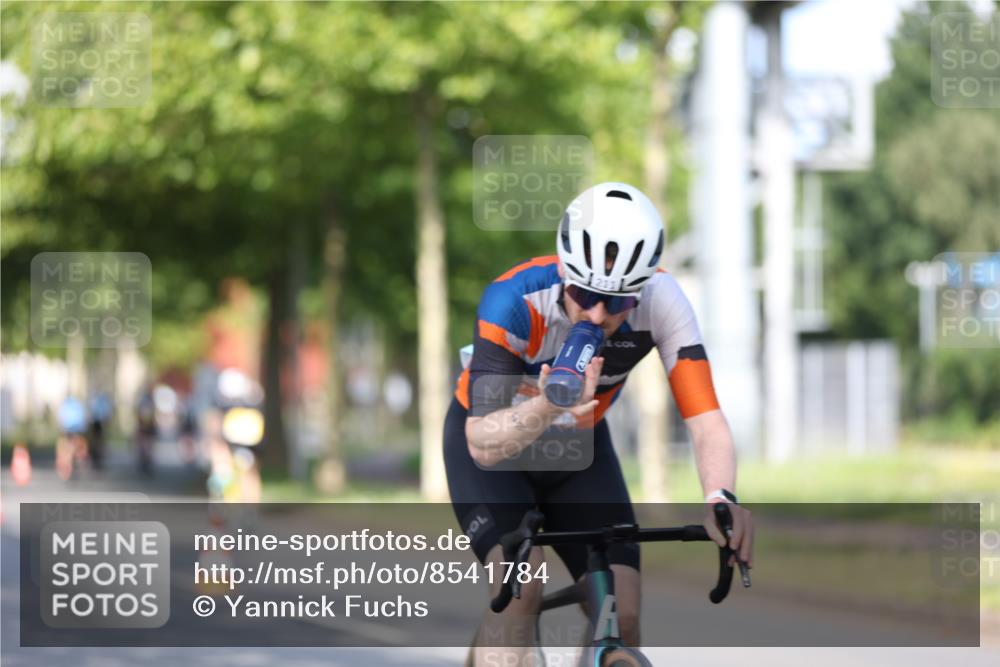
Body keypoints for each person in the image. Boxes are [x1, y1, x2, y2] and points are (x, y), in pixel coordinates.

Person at [444, 182, 755, 664]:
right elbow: (482, 443)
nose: (595, 313)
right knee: (522, 591)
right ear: (564, 269)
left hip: (578, 451)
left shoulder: (663, 301)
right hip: (494, 454)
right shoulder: (513, 300)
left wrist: (722, 496)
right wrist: (549, 405)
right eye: (584, 293)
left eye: (615, 303)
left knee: (622, 613)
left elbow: (706, 419)